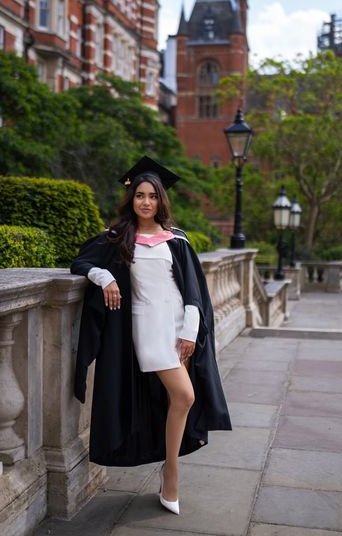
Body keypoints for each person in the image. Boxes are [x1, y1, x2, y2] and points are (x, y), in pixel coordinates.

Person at [71, 156, 231, 515]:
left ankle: (168, 468)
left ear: (161, 200)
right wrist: (104, 277)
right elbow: (80, 262)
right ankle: (171, 471)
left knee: (177, 401)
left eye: (152, 196)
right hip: (147, 329)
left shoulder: (177, 240)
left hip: (179, 326)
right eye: (140, 195)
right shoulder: (117, 238)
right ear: (132, 200)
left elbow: (193, 292)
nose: (146, 202)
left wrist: (190, 332)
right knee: (185, 396)